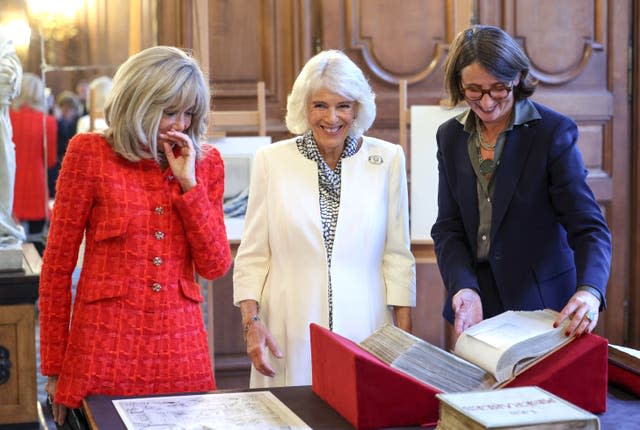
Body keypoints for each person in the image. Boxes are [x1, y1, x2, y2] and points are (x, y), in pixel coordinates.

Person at [39, 46, 232, 425]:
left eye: (189, 112)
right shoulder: (90, 154)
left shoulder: (206, 165)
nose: (179, 123)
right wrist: (54, 368)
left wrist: (188, 185)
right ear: (138, 101)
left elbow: (214, 265)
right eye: (168, 110)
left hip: (182, 352)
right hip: (100, 352)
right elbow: (57, 268)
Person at [233, 49, 416, 388]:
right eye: (320, 105)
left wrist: (403, 339)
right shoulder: (271, 161)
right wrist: (251, 323)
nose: (332, 117)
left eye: (343, 105)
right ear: (304, 107)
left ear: (357, 108)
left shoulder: (387, 159)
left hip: (367, 328)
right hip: (287, 328)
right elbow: (253, 255)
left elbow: (398, 256)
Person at [431, 25, 611, 340]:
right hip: (475, 305)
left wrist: (590, 290)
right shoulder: (450, 137)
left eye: (498, 88)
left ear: (516, 77)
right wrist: (462, 285)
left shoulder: (552, 133)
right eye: (474, 90)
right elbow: (448, 227)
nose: (487, 103)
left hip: (542, 307)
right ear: (459, 84)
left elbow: (589, 227)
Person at [9, 72, 57, 252]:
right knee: (37, 237)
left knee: (9, 237)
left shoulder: (5, 117)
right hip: (35, 182)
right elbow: (50, 160)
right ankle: (36, 275)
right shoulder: (48, 122)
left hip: (9, 180)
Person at [49, 90, 81, 197]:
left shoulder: (78, 122)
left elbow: (69, 137)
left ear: (75, 110)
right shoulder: (56, 121)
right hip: (57, 160)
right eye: (64, 107)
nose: (67, 111)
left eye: (70, 108)